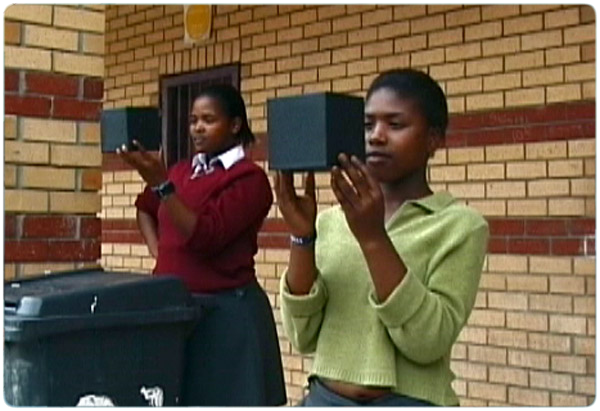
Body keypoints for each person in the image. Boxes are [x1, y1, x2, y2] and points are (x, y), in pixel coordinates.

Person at [275, 68, 489, 407]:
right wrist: (303, 237)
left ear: (434, 139)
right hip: (324, 399)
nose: (376, 136)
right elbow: (303, 336)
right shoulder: (331, 221)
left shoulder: (459, 226)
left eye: (395, 124)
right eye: (367, 124)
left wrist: (374, 238)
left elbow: (429, 341)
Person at [117, 84, 286, 406]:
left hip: (226, 317)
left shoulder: (248, 180)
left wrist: (163, 186)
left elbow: (206, 237)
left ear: (234, 125)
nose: (197, 128)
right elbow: (145, 209)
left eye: (208, 120)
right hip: (177, 310)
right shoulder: (181, 172)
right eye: (193, 120)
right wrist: (161, 253)